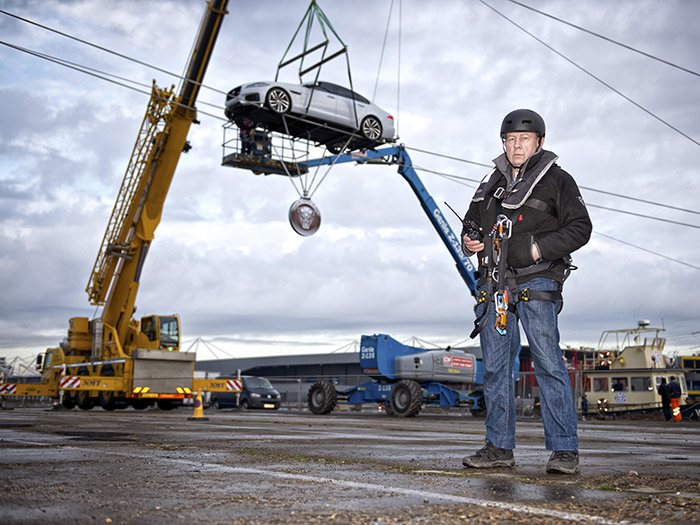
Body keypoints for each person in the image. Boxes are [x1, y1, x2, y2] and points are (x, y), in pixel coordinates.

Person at [460, 109, 592, 474]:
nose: (517, 145)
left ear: (540, 143)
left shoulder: (558, 181)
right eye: (511, 139)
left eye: (525, 139)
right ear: (503, 142)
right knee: (497, 369)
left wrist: (535, 248)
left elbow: (580, 228)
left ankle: (565, 450)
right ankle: (499, 447)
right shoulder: (489, 183)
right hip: (493, 285)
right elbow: (472, 221)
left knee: (548, 362)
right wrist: (469, 237)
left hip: (537, 280)